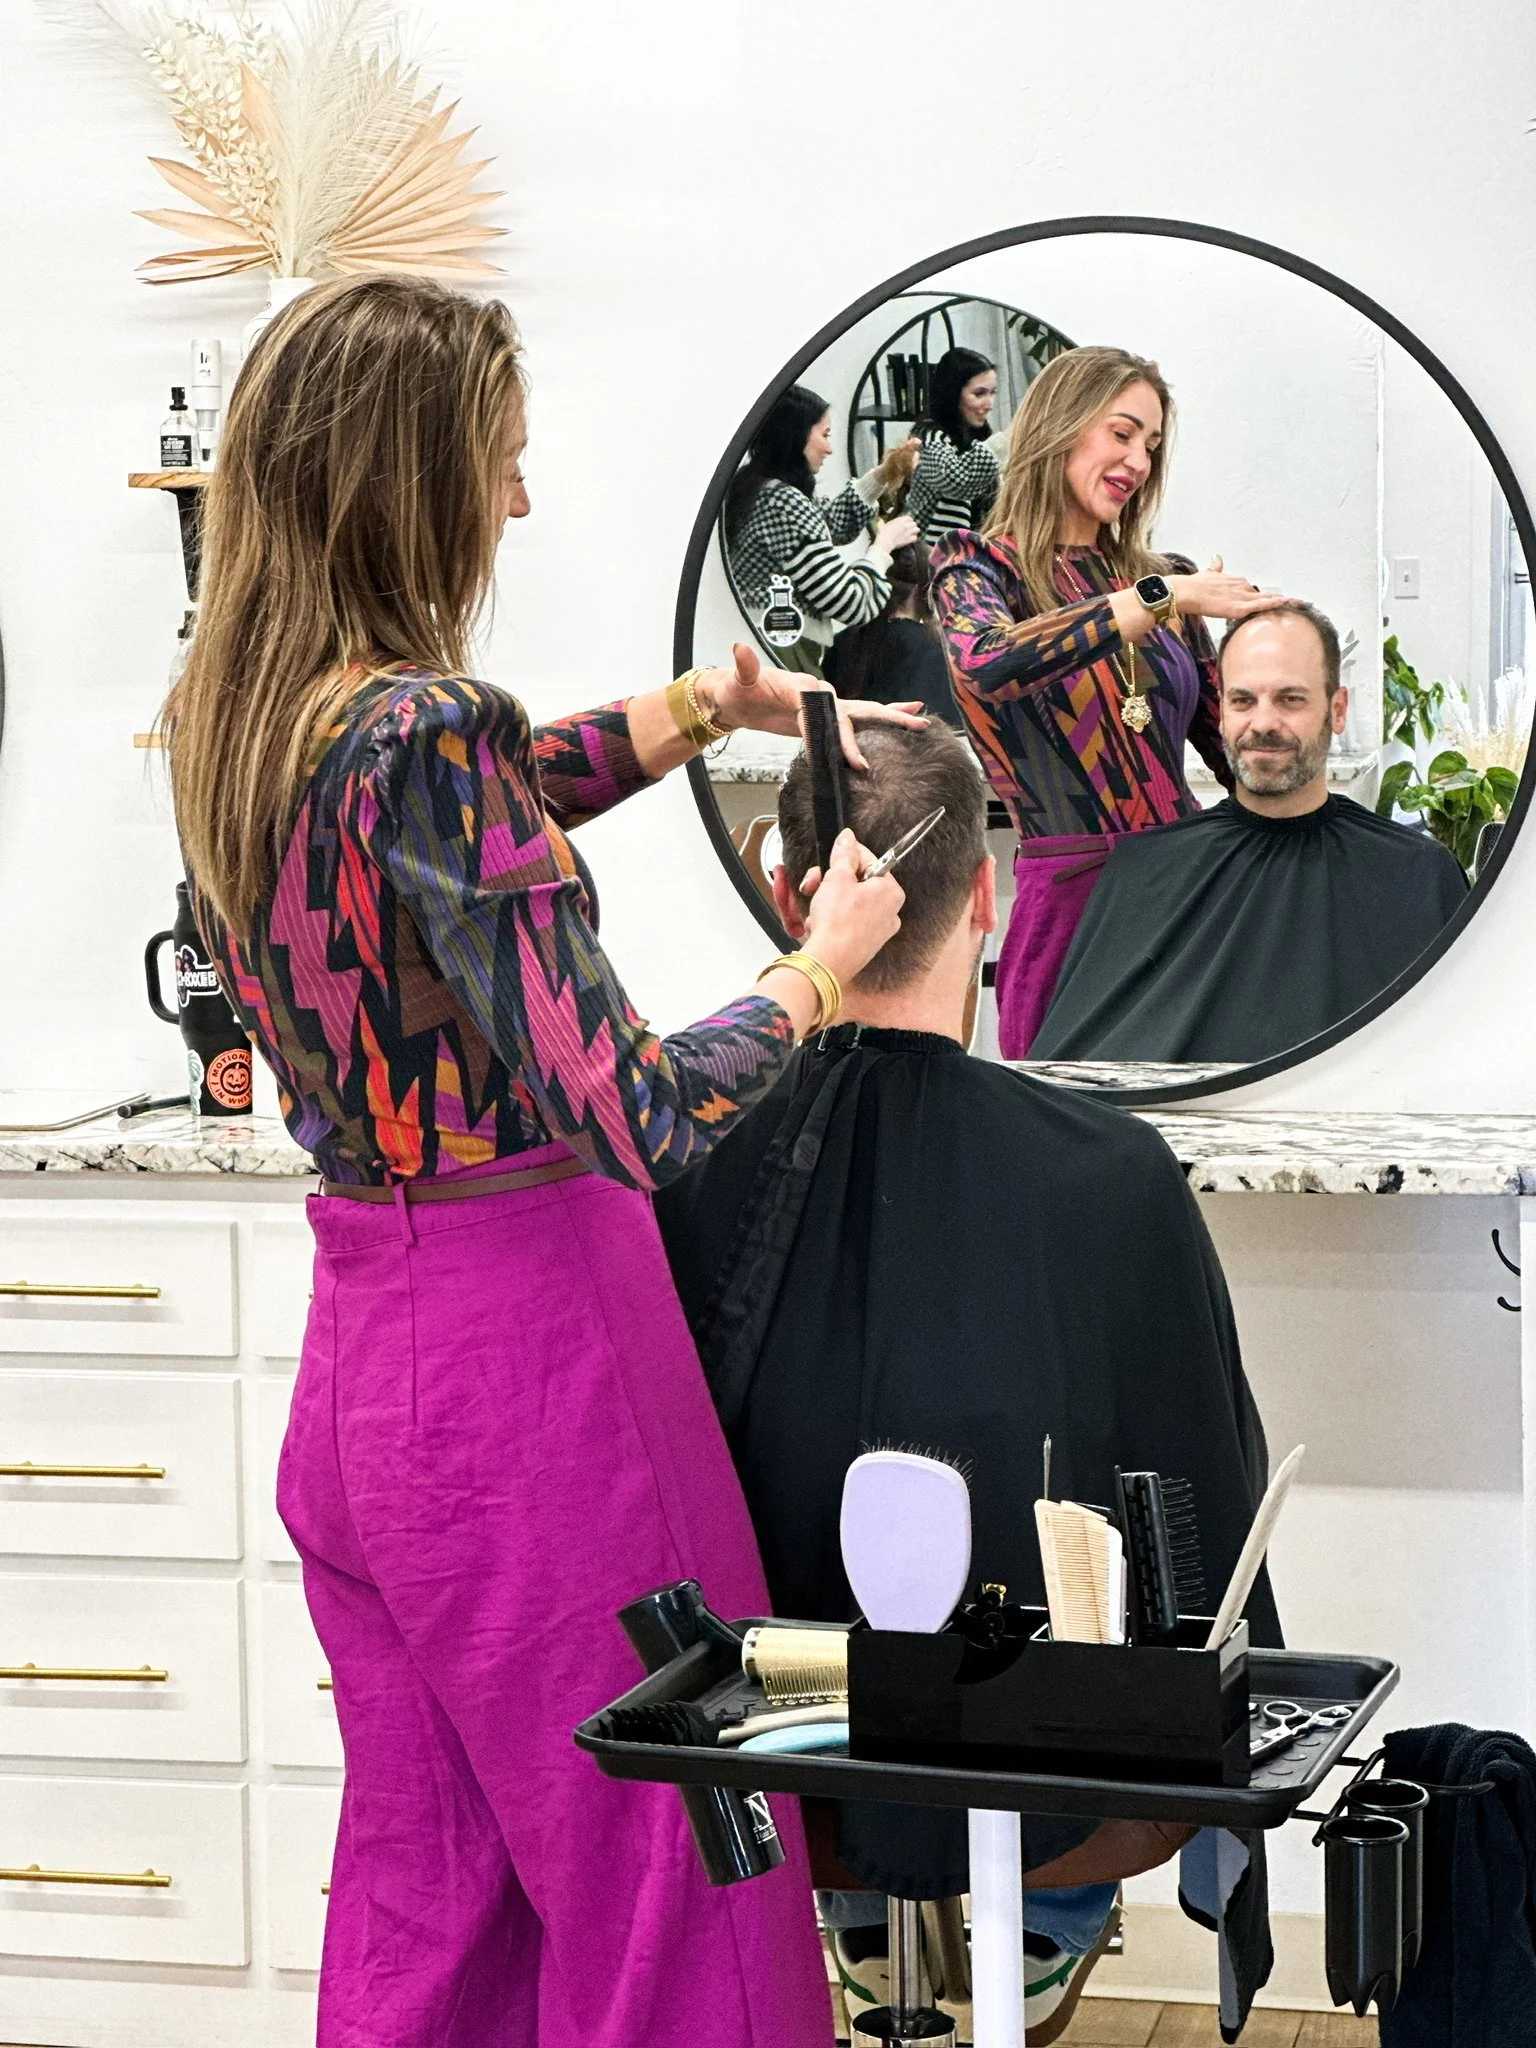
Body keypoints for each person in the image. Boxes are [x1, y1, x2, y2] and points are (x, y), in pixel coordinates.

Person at [165, 275, 919, 2048]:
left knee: (436, 1890)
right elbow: (639, 1109)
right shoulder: (415, 731)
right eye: (498, 463)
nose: (518, 498)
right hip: (532, 1375)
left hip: (370, 1368)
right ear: (410, 478)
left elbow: (466, 813)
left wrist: (682, 713)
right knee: (680, 1864)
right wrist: (818, 968)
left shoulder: (250, 719)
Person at [655, 721, 1281, 2041]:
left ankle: (873, 1925)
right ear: (988, 896)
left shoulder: (680, 1155)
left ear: (791, 895)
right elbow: (1200, 1530)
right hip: (1054, 1778)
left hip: (755, 1765)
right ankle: (1036, 1936)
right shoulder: (1110, 1173)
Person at [930, 345, 1288, 1056]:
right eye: (1121, 433)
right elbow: (991, 662)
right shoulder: (975, 567)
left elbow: (1231, 752)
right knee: (1062, 1139)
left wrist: (1284, 676)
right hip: (1071, 912)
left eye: (1151, 446)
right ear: (1059, 426)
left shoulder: (1167, 581)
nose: (1139, 462)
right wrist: (1161, 599)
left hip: (1187, 897)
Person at [1032, 600, 1470, 1063]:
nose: (1263, 723)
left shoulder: (1416, 875)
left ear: (1337, 710)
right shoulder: (1142, 870)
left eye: (1290, 699)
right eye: (1243, 701)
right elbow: (1075, 1071)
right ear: (1221, 712)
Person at [723, 381, 918, 674]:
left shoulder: (758, 488)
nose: (829, 449)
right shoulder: (782, 503)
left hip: (767, 647)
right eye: (824, 435)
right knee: (814, 719)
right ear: (795, 436)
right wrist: (883, 547)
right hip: (785, 655)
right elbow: (852, 603)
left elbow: (829, 523)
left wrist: (881, 476)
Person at [823, 540, 962, 725]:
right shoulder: (940, 646)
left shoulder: (841, 644)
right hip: (923, 749)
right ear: (922, 588)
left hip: (857, 748)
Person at [906, 345, 1002, 544]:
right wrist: (1009, 437)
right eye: (979, 394)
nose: (989, 404)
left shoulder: (977, 434)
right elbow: (957, 481)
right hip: (925, 558)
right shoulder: (930, 438)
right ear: (953, 393)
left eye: (992, 392)